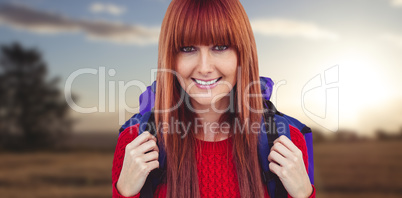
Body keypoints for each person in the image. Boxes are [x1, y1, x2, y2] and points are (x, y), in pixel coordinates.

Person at [112, 0, 316, 197]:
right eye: (187, 48)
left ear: (242, 54)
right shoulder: (134, 143)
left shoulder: (288, 142)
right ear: (170, 57)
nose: (204, 67)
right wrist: (125, 193)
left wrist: (303, 194)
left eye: (220, 47)